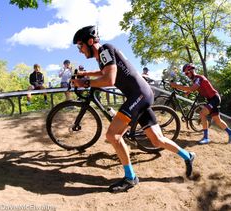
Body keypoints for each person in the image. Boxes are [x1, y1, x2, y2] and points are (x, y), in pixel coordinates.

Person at [71, 25, 195, 193]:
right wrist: (85, 75)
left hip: (138, 95)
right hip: (141, 94)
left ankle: (130, 178)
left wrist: (84, 83)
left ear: (90, 41)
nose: (79, 50)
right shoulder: (104, 55)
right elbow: (103, 71)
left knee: (112, 135)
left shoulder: (105, 50)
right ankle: (188, 156)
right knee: (157, 140)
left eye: (80, 46)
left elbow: (109, 79)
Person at [170, 63, 231, 145]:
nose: (186, 75)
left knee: (202, 113)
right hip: (211, 99)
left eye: (187, 73)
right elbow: (193, 88)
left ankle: (206, 138)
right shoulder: (195, 80)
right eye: (185, 74)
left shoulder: (199, 78)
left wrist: (176, 86)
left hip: (214, 98)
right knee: (217, 120)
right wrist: (188, 91)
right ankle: (230, 132)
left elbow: (192, 88)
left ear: (192, 71)